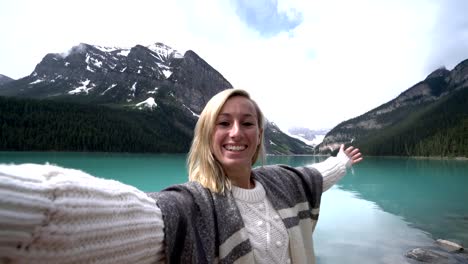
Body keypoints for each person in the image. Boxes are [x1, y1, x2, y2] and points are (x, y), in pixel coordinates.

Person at [0, 88, 362, 264]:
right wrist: (25, 206)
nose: (236, 132)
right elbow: (142, 220)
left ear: (259, 135)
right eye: (224, 123)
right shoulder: (192, 205)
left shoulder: (279, 182)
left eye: (247, 123)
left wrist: (341, 162)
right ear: (207, 136)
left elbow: (312, 176)